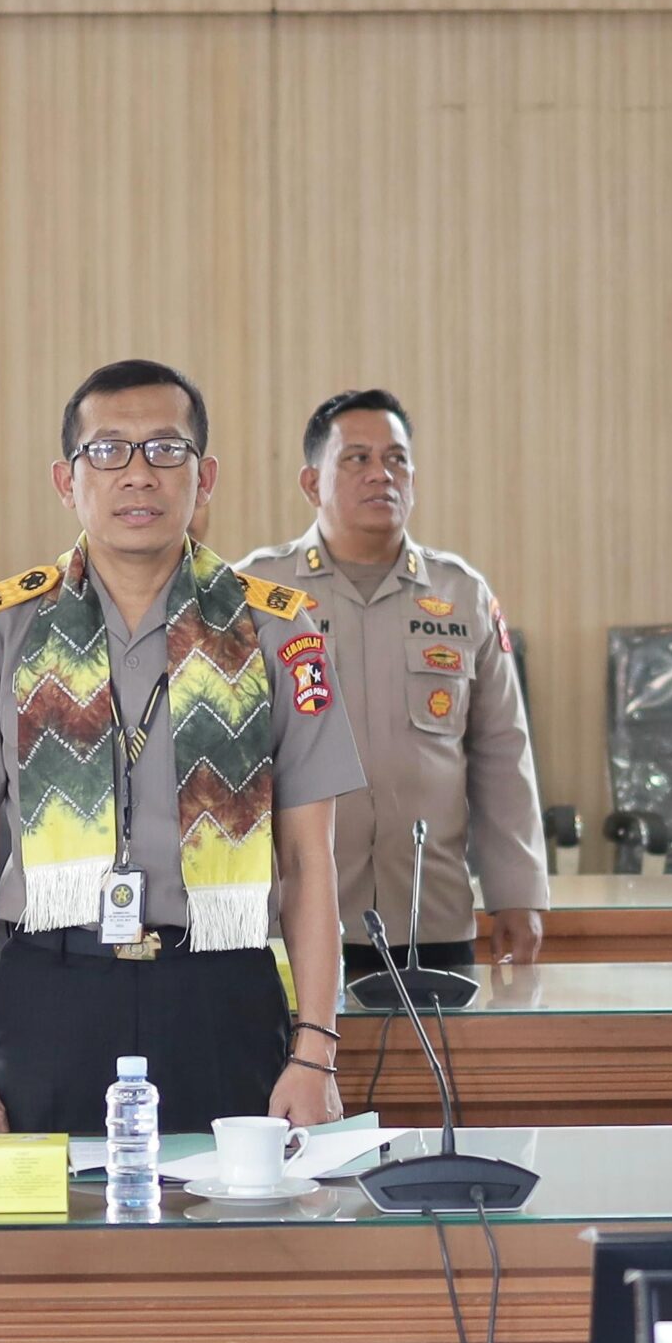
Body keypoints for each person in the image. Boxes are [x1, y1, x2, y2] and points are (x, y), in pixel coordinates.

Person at [0, 360, 365, 1136]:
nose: (138, 474)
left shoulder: (276, 632)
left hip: (221, 993)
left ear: (204, 476)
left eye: (165, 449)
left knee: (233, 1216)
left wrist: (316, 1053)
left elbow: (308, 861)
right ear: (67, 480)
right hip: (54, 995)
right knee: (52, 1218)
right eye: (108, 450)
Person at [239, 389, 549, 974]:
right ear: (311, 483)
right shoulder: (258, 594)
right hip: (290, 919)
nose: (381, 474)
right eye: (356, 458)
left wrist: (518, 891)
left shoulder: (462, 593)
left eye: (396, 459)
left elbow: (502, 752)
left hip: (429, 914)